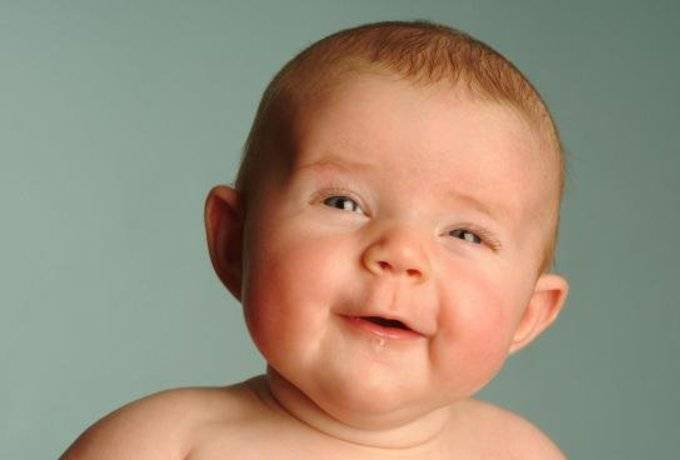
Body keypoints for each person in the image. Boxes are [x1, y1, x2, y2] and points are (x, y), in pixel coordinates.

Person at [63, 20, 570, 459]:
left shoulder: (521, 454)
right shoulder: (161, 445)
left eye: (465, 234)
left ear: (528, 313)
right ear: (235, 242)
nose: (400, 255)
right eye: (343, 203)